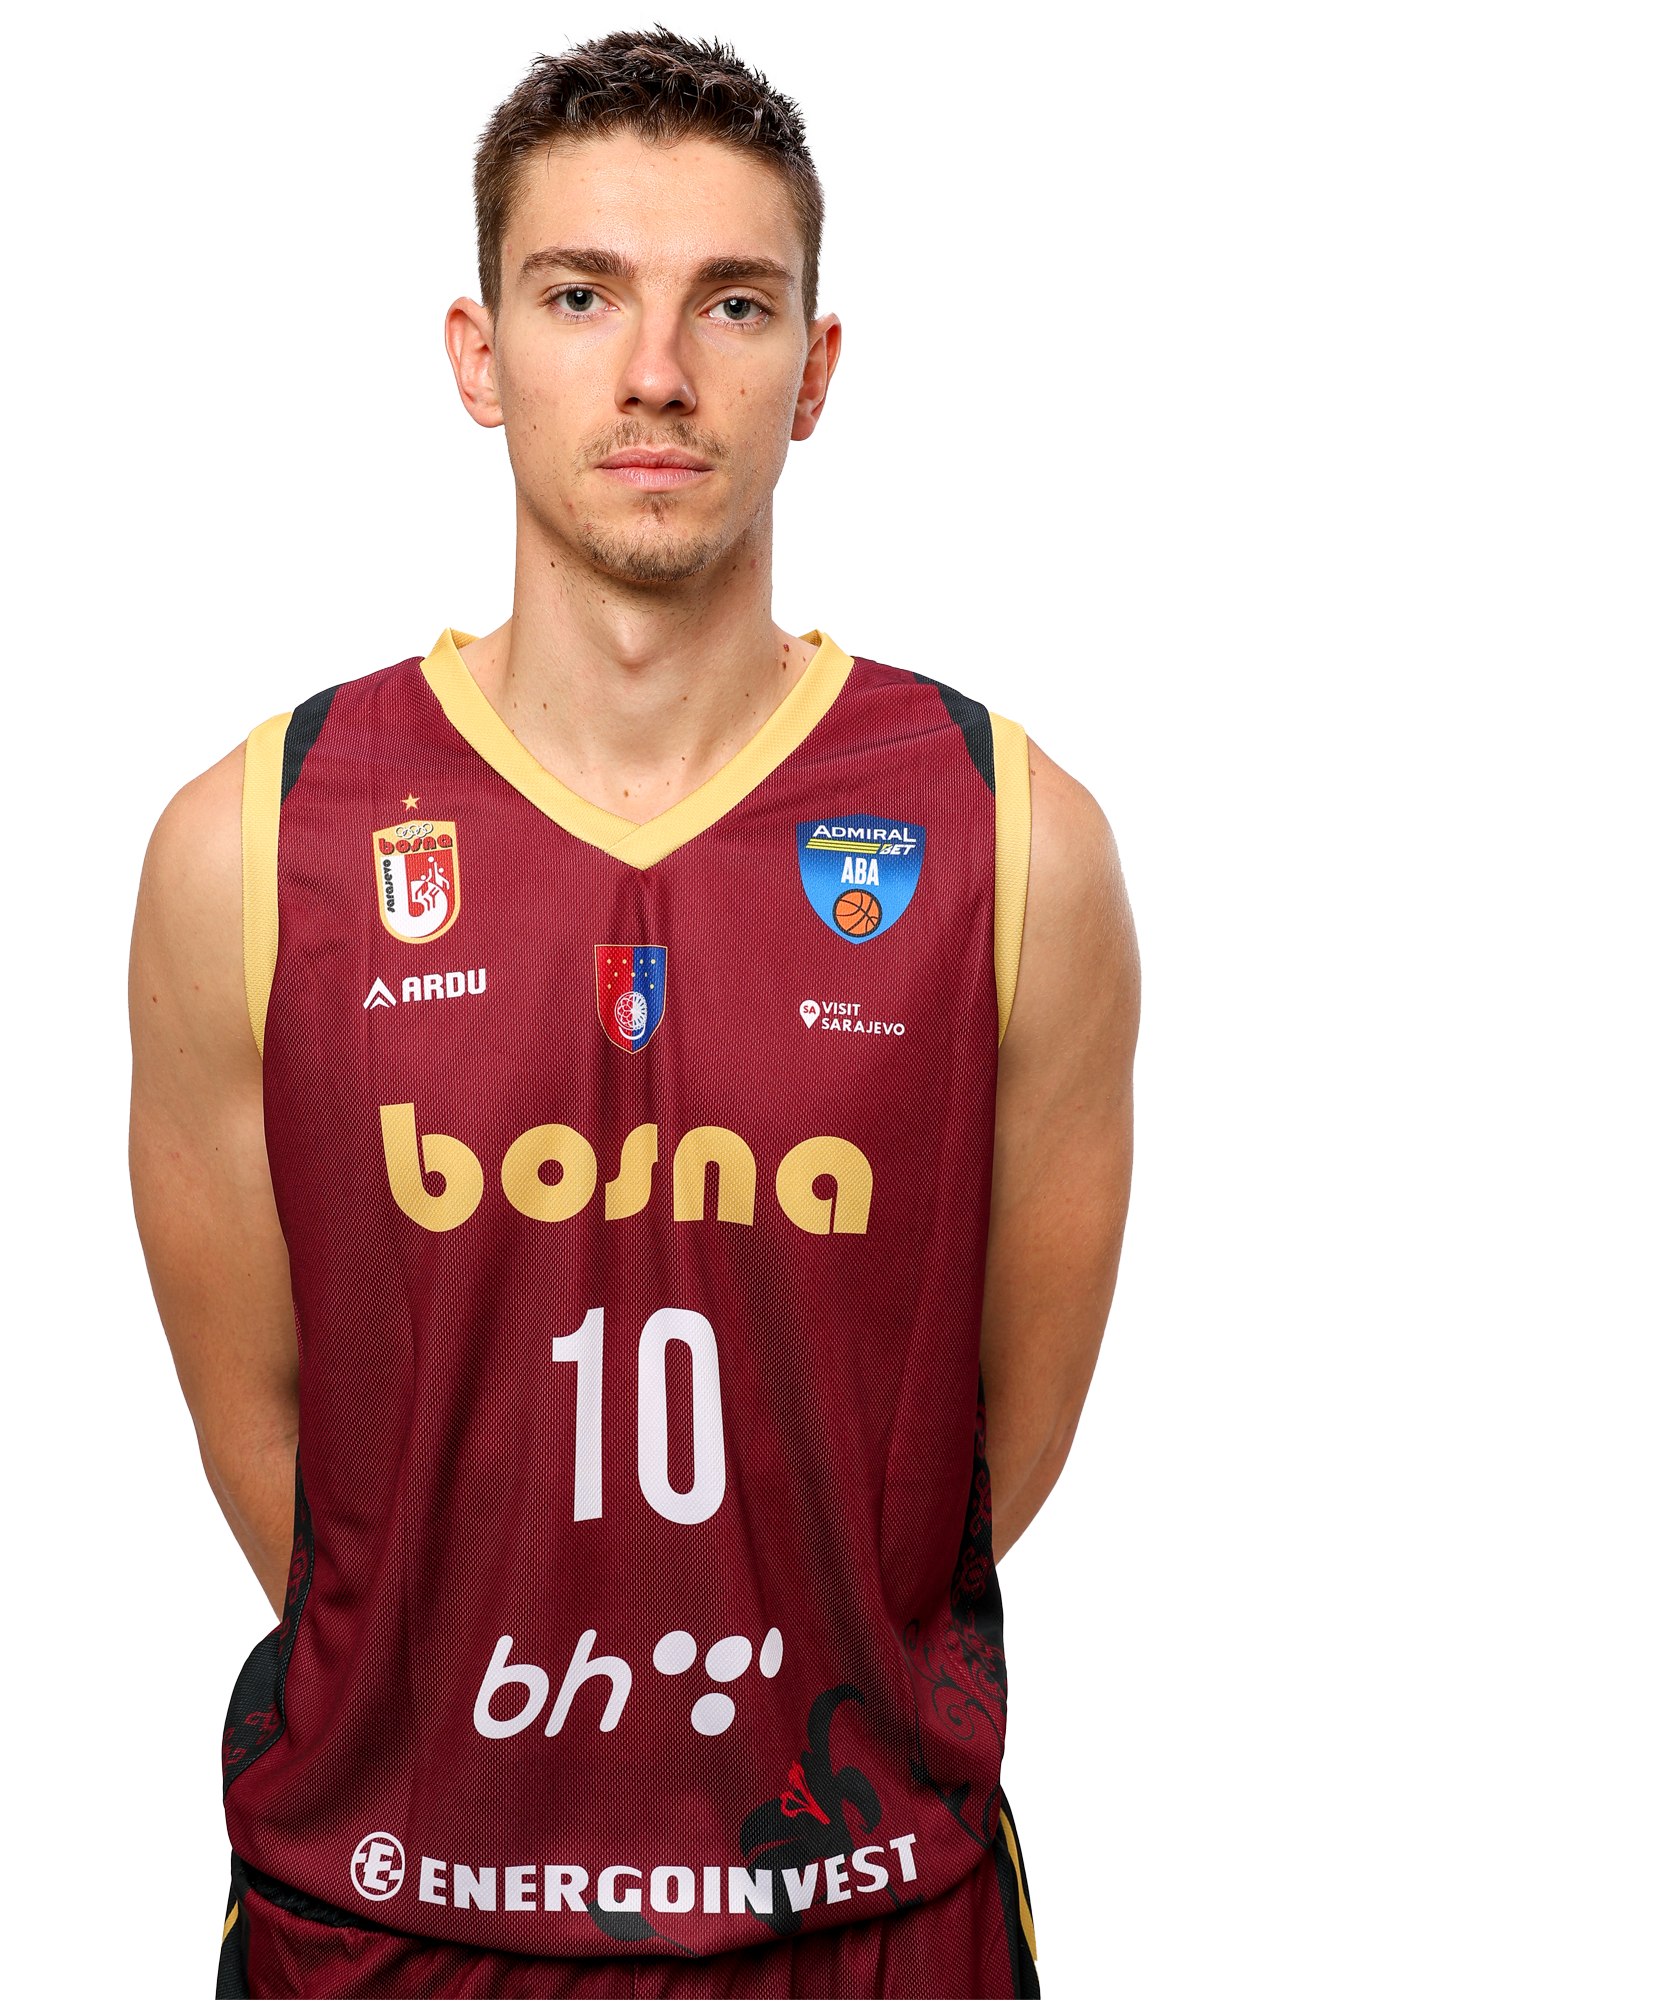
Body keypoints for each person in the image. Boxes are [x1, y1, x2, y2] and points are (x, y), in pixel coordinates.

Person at [130, 26, 1137, 1998]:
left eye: (731, 303)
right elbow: (293, 1462)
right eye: (581, 294)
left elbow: (978, 1457)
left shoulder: (1013, 840)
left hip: (862, 1915)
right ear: (478, 351)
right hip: (392, 1917)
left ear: (814, 370)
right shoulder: (254, 846)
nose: (657, 370)